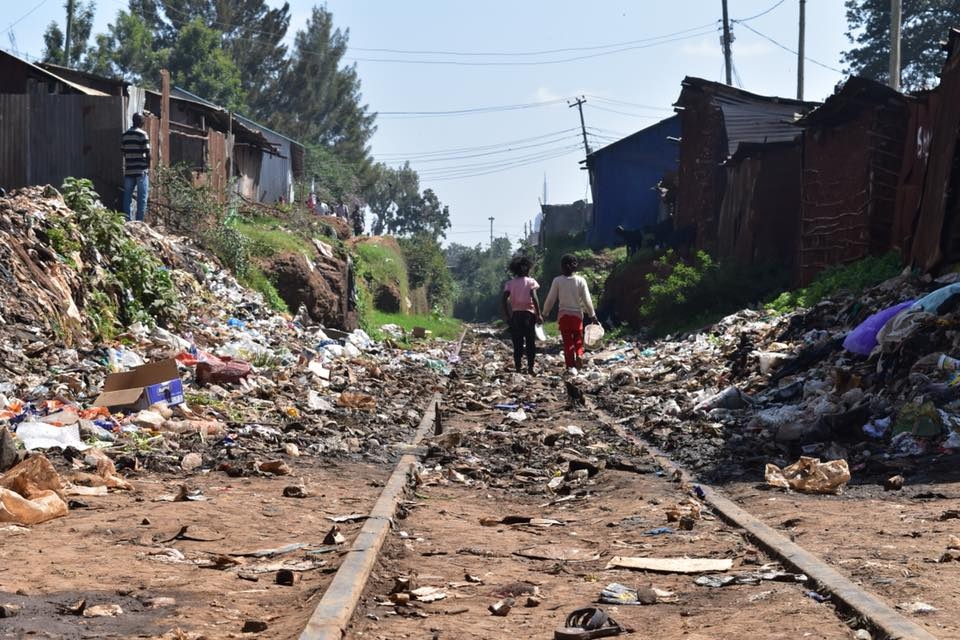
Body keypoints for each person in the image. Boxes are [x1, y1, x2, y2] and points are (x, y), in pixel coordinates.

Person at [542, 254, 596, 372]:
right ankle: (580, 354)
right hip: (577, 316)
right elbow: (587, 300)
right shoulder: (581, 280)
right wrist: (592, 315)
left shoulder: (557, 281)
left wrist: (545, 313)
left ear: (561, 267)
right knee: (578, 339)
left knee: (567, 342)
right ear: (575, 266)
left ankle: (570, 365)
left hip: (564, 316)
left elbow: (550, 299)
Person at [502, 255, 542, 374]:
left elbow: (503, 299)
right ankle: (530, 368)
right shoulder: (531, 282)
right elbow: (534, 298)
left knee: (517, 344)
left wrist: (507, 315)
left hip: (515, 316)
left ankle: (518, 367)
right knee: (530, 343)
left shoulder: (510, 283)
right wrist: (539, 314)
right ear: (527, 268)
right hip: (528, 316)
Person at [121, 112, 151, 222]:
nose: (143, 122)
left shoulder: (125, 135)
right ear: (140, 121)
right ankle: (139, 222)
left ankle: (127, 221)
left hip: (129, 170)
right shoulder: (142, 134)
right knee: (142, 198)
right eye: (143, 120)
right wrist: (148, 167)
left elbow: (123, 152)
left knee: (127, 196)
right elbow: (147, 153)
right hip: (141, 170)